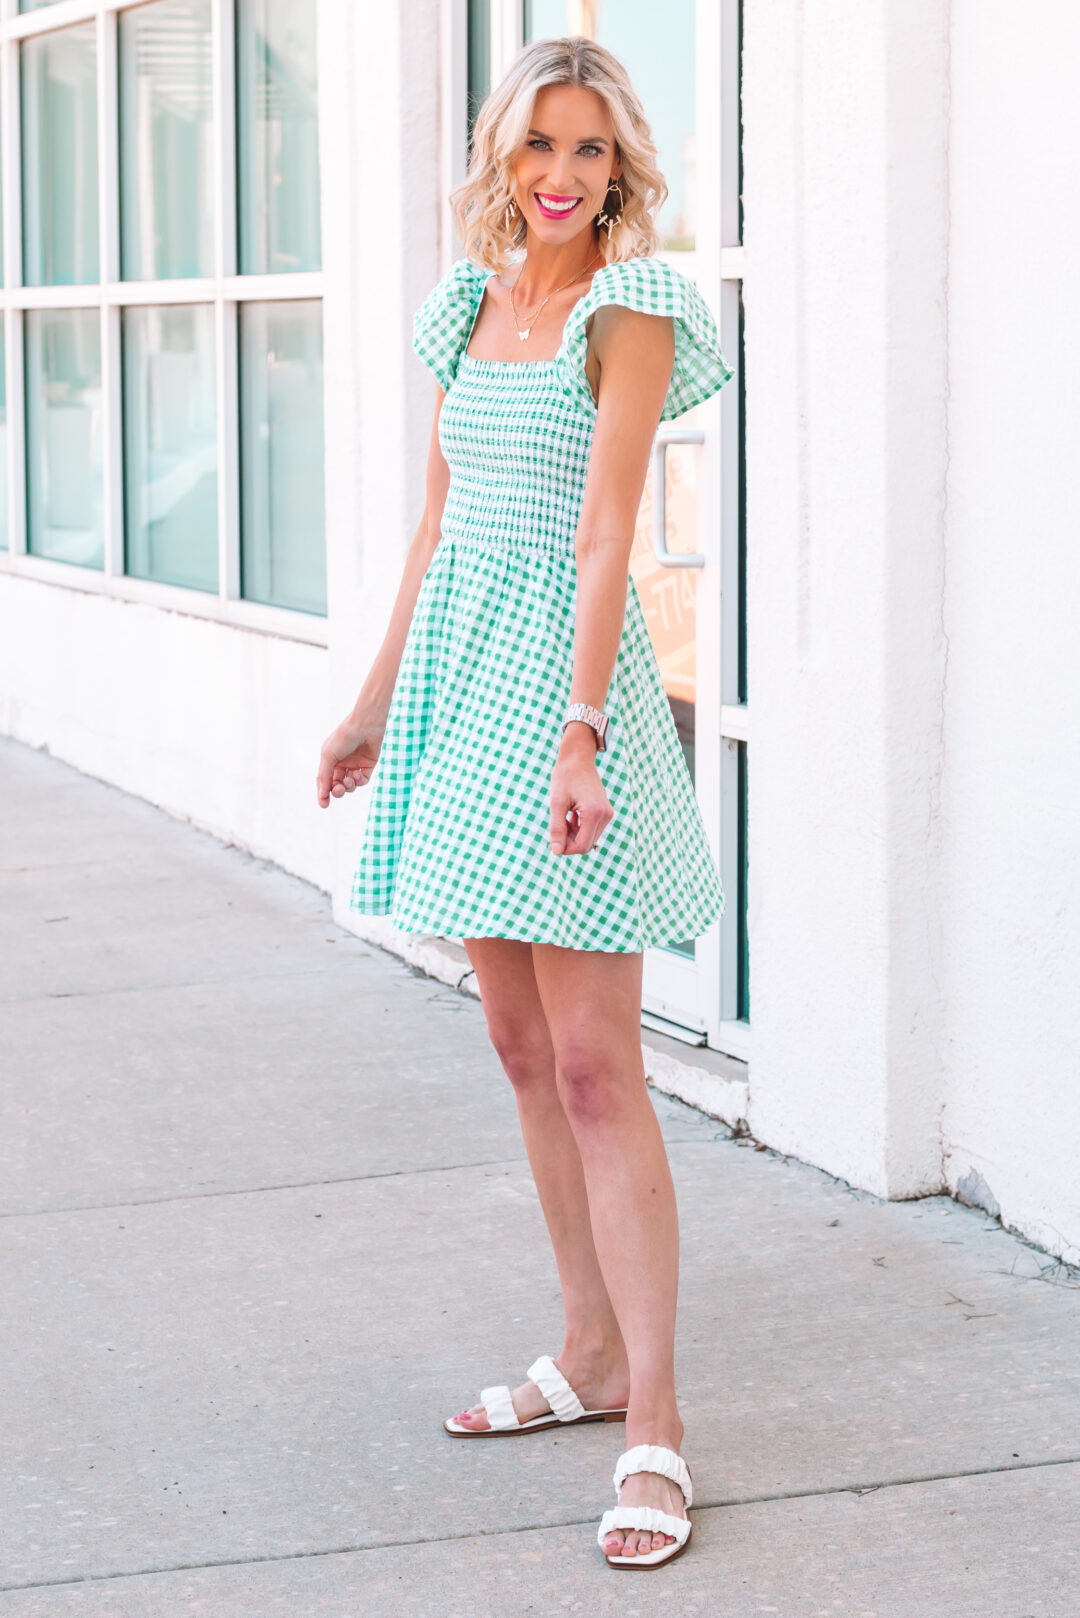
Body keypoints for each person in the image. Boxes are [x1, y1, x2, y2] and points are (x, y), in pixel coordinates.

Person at [316, 35, 733, 1571]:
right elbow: (436, 525)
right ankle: (588, 1344)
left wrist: (579, 732)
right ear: (504, 155)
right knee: (511, 1040)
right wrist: (371, 705)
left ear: (621, 167)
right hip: (457, 680)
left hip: (569, 690)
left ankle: (658, 1419)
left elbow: (608, 532)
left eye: (589, 151)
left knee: (594, 1061)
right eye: (538, 147)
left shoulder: (628, 311)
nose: (561, 177)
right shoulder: (468, 302)